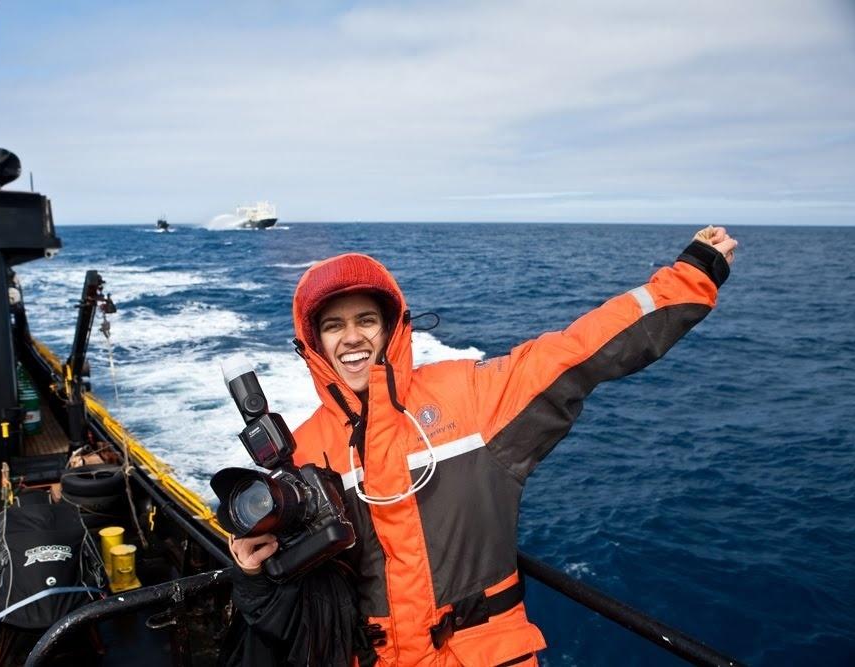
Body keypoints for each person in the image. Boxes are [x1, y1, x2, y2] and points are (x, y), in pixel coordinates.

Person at [230, 227, 737, 666]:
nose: (352, 337)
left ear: (391, 329)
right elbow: (297, 595)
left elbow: (581, 350)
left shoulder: (473, 397)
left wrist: (692, 276)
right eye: (333, 325)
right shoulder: (303, 452)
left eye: (366, 320)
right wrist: (254, 571)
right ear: (314, 343)